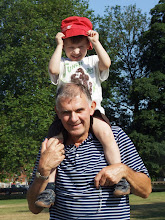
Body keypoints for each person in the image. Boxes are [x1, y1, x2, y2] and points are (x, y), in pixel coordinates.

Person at [35, 16, 130, 208]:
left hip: (93, 111)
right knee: (53, 145)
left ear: (88, 45)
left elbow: (107, 63)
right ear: (64, 47)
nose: (76, 51)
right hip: (67, 113)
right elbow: (52, 68)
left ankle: (119, 176)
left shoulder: (93, 61)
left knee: (106, 134)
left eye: (80, 46)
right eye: (70, 47)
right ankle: (50, 188)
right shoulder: (62, 63)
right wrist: (59, 46)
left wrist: (97, 42)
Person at [27, 82, 152, 220]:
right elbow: (34, 208)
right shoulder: (51, 146)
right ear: (58, 112)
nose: (74, 119)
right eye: (66, 112)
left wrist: (124, 171)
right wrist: (43, 170)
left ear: (92, 107)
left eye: (79, 110)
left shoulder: (115, 136)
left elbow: (146, 190)